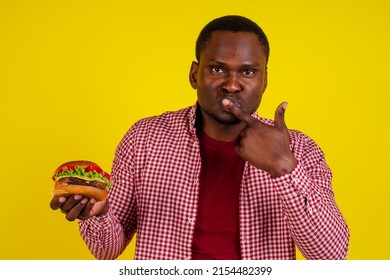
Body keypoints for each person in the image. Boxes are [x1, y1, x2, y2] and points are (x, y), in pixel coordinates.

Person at [50, 15, 350, 260]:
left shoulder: (300, 149)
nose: (232, 85)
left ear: (264, 80)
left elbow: (332, 255)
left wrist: (284, 167)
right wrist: (94, 216)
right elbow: (107, 251)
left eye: (247, 72)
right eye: (218, 69)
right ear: (195, 74)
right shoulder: (144, 139)